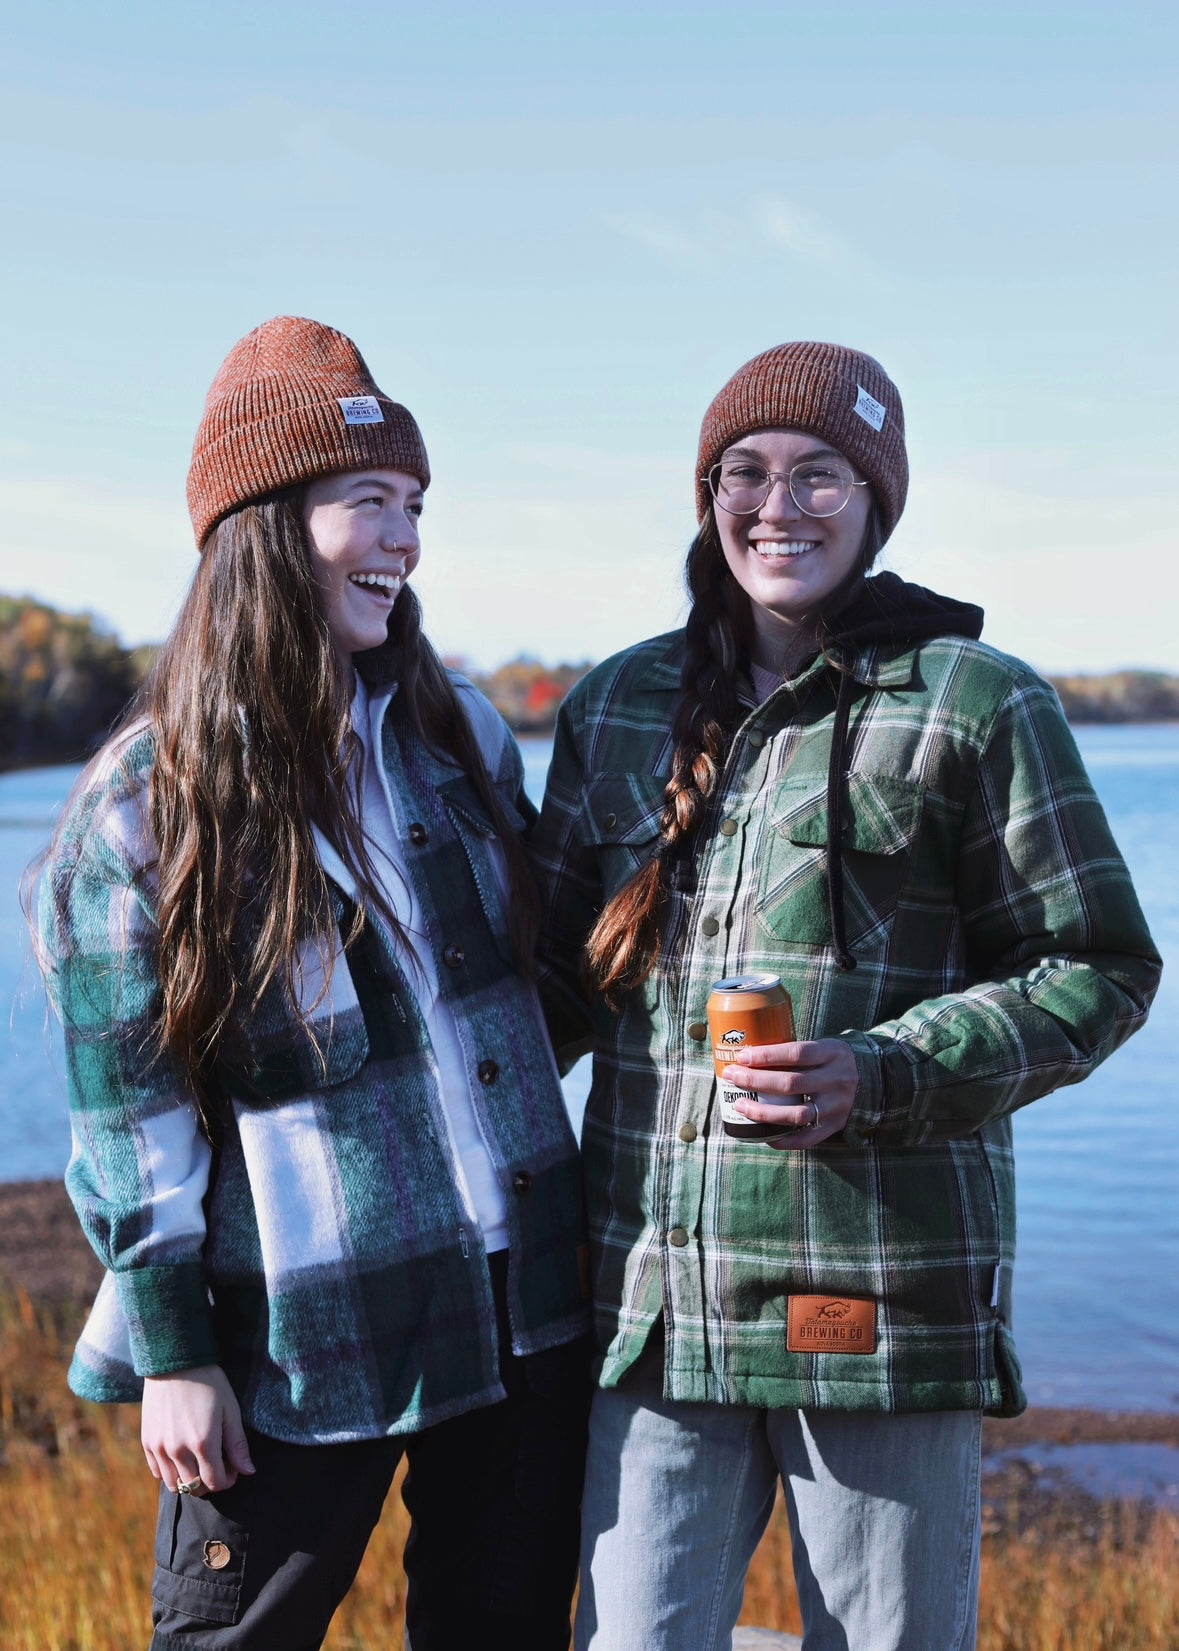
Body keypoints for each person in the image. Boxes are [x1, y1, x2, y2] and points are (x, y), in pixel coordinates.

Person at [531, 341, 1161, 1651]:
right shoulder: (619, 706)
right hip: (654, 1310)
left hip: (876, 1303)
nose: (781, 506)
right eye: (746, 473)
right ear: (708, 500)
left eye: (821, 475)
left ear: (878, 502)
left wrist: (883, 1070)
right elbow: (544, 992)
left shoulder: (973, 703)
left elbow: (1100, 968)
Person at [33, 316, 590, 1651]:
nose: (404, 539)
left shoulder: (456, 736)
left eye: (412, 507)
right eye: (367, 505)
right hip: (302, 1334)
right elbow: (129, 1116)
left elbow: (514, 1016)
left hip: (529, 1301)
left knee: (504, 1631)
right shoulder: (145, 810)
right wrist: (173, 1354)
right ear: (265, 527)